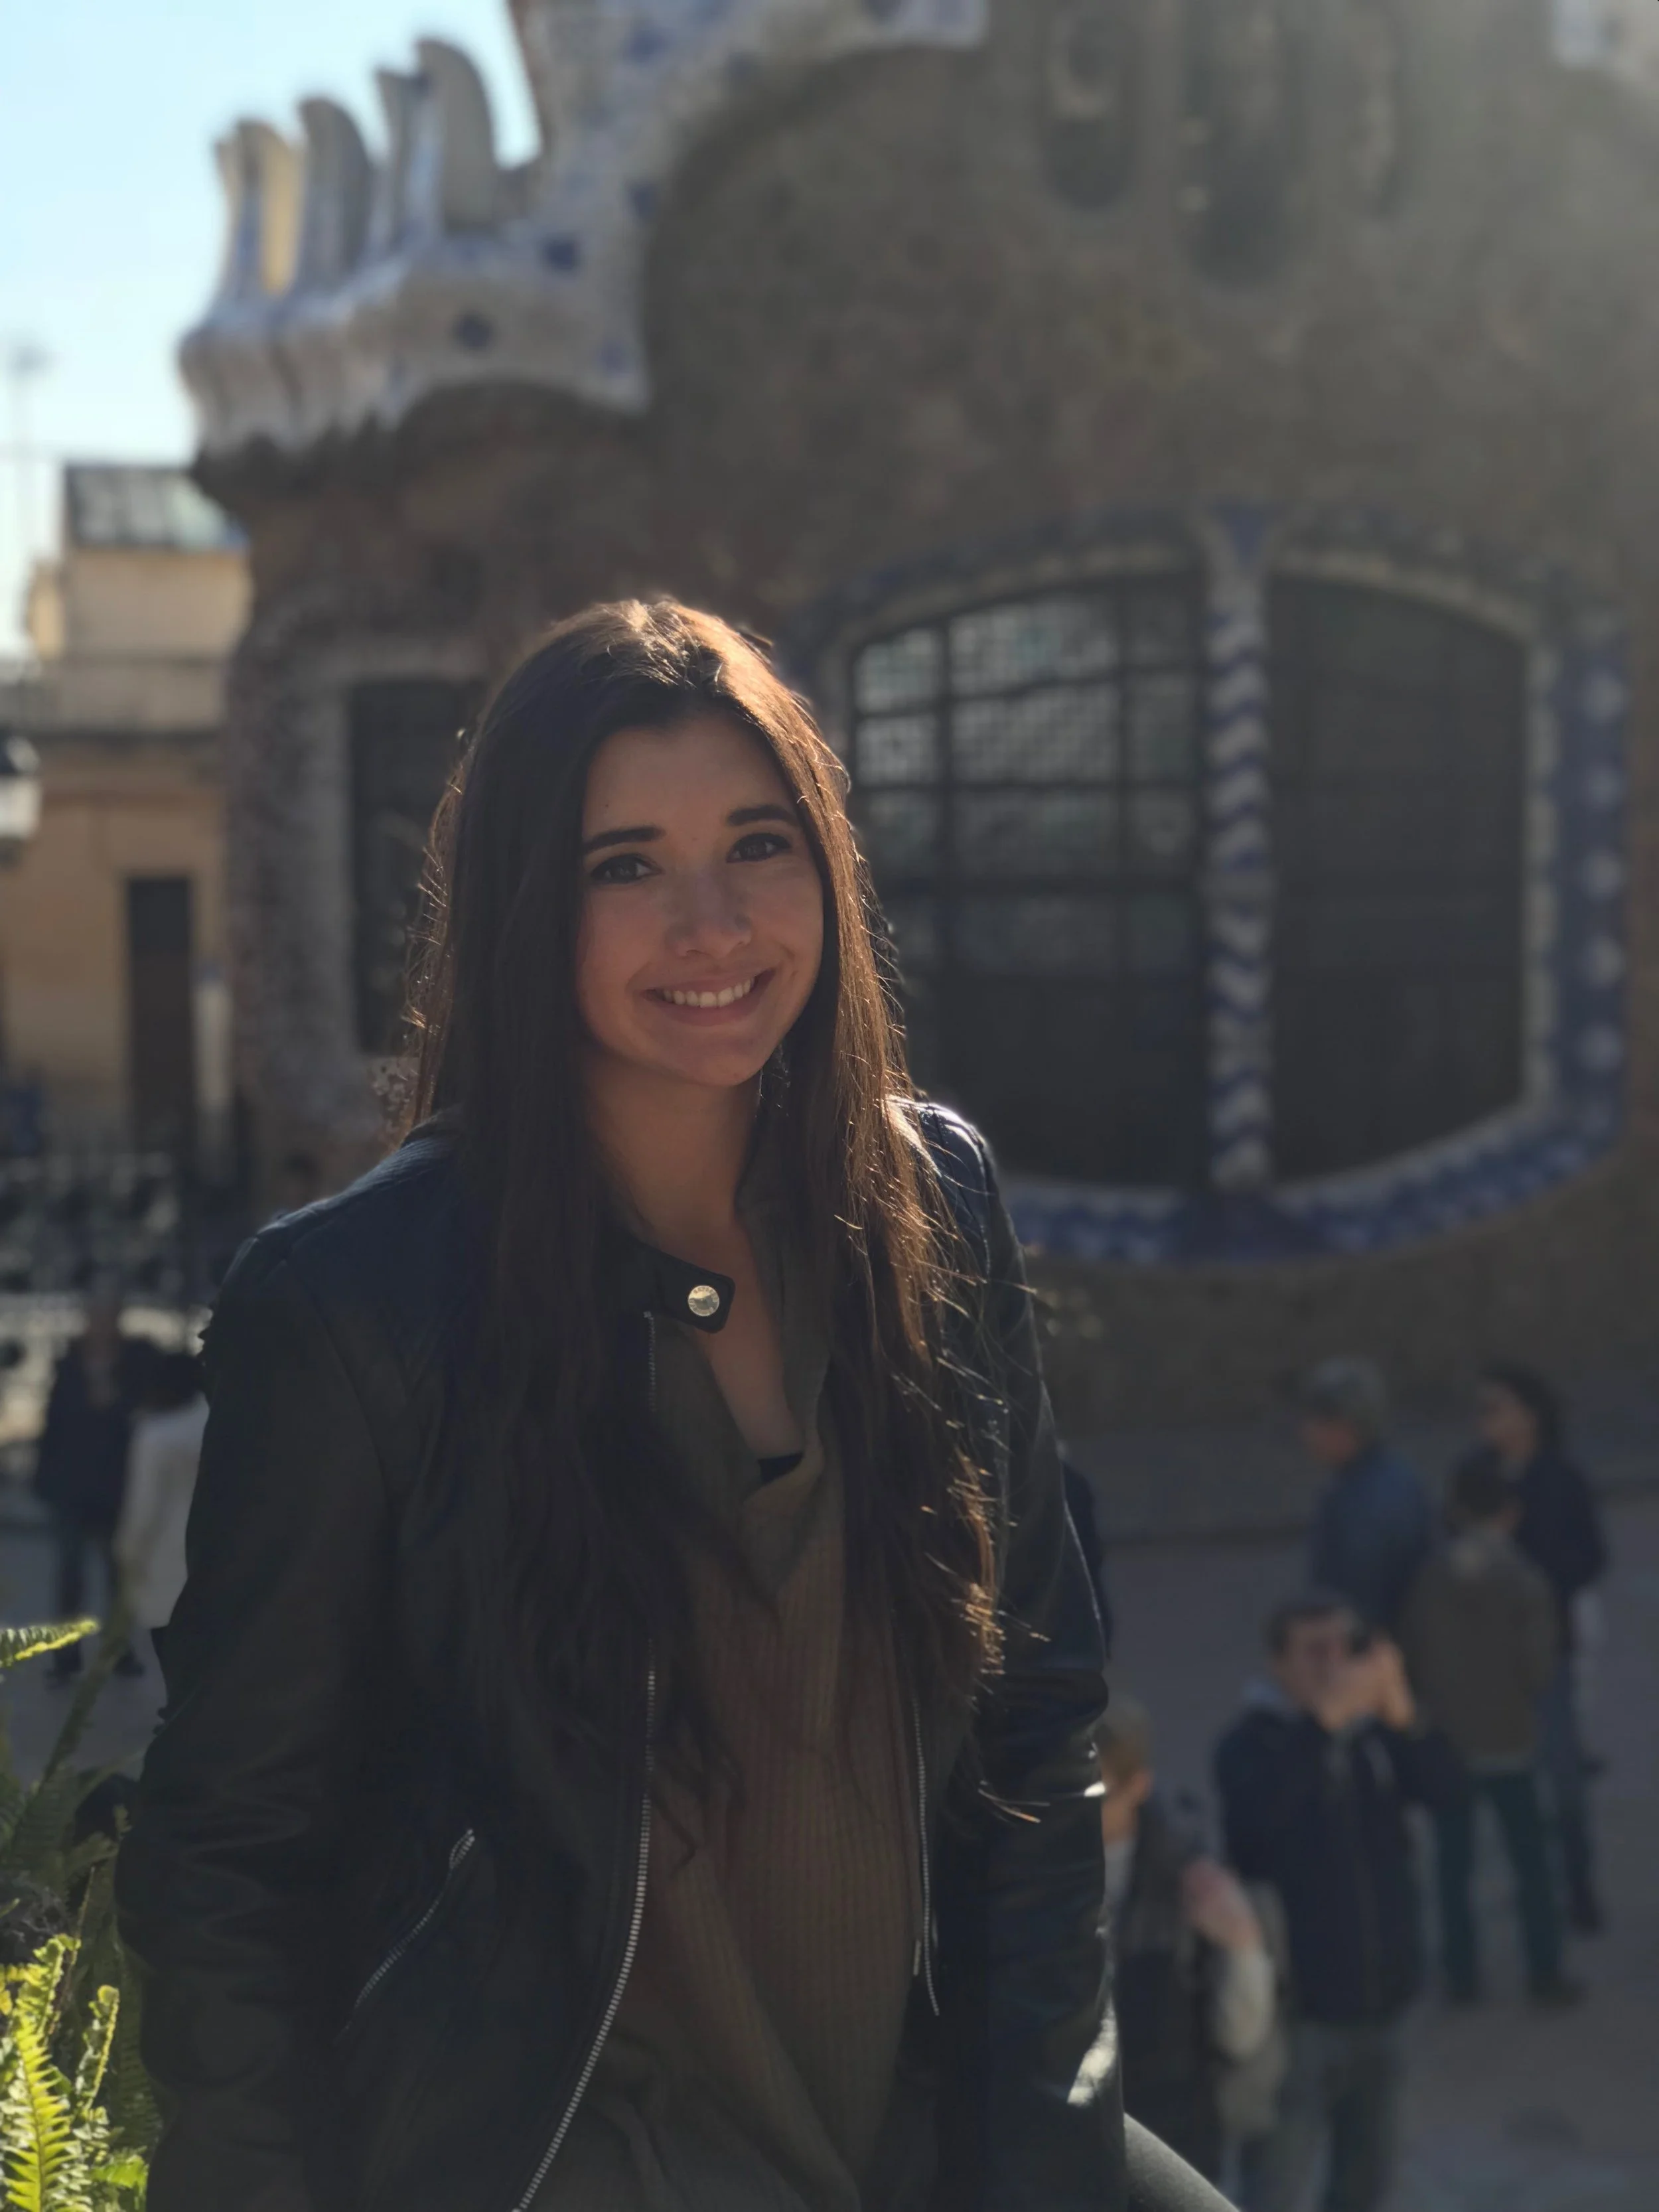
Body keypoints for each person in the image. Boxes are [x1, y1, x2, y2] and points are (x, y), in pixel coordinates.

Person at [116, 603, 1230, 2212]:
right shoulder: (356, 1306)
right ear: (523, 905)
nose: (712, 926)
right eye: (624, 864)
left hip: (906, 2098)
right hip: (572, 2134)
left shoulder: (935, 1204)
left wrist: (1037, 2147)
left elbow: (1035, 1716)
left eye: (757, 845)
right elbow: (227, 1845)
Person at [1215, 1593, 1463, 2212]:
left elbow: (1448, 1795)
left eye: (1345, 1648)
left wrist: (1404, 1712)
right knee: (1274, 2187)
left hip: (1386, 2005)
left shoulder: (1373, 1736)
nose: (1333, 1664)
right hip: (1302, 2016)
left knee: (1365, 2184)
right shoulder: (1251, 1745)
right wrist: (1321, 1724)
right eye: (1314, 1650)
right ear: (1279, 1663)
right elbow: (1257, 1828)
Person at [1399, 1452, 1577, 2007]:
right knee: (1531, 1864)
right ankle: (1545, 1973)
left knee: (1453, 1866)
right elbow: (1540, 1668)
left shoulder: (1430, 1576)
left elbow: (1414, 1652)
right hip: (1512, 1738)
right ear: (1511, 1512)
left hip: (1450, 1740)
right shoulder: (1524, 1578)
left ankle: (1462, 1976)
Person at [1097, 1695, 1274, 2183]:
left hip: (1175, 2133)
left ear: (1137, 1786)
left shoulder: (1189, 1875)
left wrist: (1241, 1943)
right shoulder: (1036, 1872)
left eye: (1095, 1798)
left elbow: (1239, 2031)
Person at [1478, 1361, 1609, 1933]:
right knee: (1515, 1779)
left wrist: (1546, 1583)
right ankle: (1536, 1887)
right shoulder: (1476, 1477)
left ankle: (1579, 1888)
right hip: (1495, 1657)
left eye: (1495, 1407)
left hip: (1549, 1646)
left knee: (1563, 1775)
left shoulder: (1561, 1478)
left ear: (1528, 1416)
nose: (1485, 1420)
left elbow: (1592, 1553)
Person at [33, 1288, 153, 1682]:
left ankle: (119, 1653)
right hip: (71, 1485)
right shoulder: (69, 1363)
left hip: (116, 1485)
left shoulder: (134, 1363)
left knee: (116, 1576)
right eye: (94, 1317)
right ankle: (66, 1658)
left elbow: (146, 1414)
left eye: (107, 1317)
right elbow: (54, 1423)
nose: (99, 1325)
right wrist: (44, 1477)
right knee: (70, 1577)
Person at [1298, 1357, 1433, 1634]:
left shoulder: (1360, 1502)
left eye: (1317, 1422)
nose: (1307, 1433)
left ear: (1345, 1426)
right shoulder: (1398, 1479)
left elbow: (1355, 1599)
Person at [114, 1350, 208, 1674]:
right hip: (213, 1552)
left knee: (168, 1648)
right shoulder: (211, 1422)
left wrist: (128, 1552)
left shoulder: (155, 1435)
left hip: (165, 1556)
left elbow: (144, 1506)